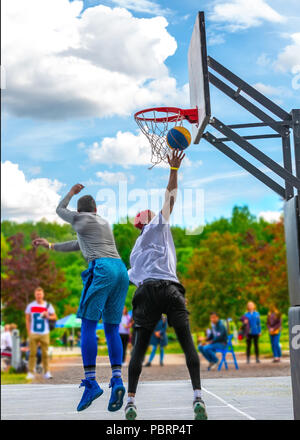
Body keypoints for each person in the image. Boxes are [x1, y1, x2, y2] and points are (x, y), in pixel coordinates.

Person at [125, 150, 207, 421]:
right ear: (147, 221)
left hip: (146, 290)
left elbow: (128, 278)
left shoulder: (135, 252)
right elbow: (170, 196)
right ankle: (198, 396)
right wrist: (173, 169)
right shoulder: (157, 226)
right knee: (187, 344)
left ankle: (131, 401)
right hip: (170, 288)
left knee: (138, 348)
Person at [32, 183, 129, 413]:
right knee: (112, 328)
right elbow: (78, 244)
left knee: (87, 325)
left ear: (81, 211)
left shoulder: (80, 219)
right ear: (95, 208)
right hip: (120, 271)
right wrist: (52, 245)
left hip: (103, 268)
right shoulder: (102, 223)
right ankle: (117, 378)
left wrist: (71, 193)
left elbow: (59, 209)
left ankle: (91, 382)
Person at [25, 287, 57, 379]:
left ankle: (47, 372)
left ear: (43, 295)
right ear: (35, 295)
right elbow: (27, 320)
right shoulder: (30, 306)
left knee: (45, 353)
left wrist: (48, 316)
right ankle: (30, 372)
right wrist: (29, 332)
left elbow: (54, 317)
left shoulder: (48, 305)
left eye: (40, 294)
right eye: (37, 294)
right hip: (34, 332)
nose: (39, 296)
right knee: (32, 353)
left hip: (45, 332)